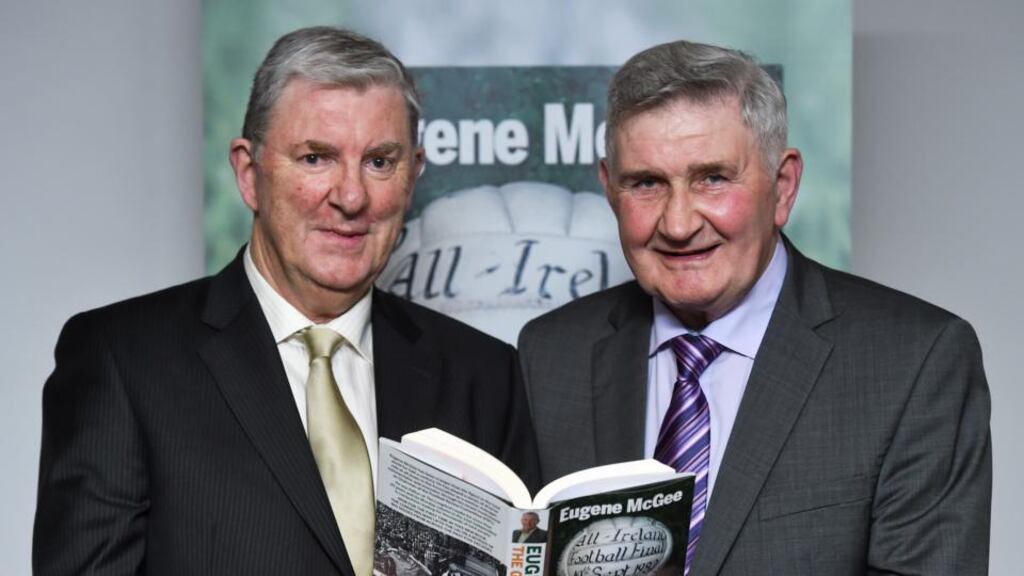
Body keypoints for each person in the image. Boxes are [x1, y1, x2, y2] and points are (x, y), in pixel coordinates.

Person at [33, 26, 537, 576]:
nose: (350, 197)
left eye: (379, 162)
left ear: (413, 176)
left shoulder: (484, 375)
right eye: (316, 158)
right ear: (249, 174)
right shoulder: (124, 360)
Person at [518, 39, 991, 575]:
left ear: (783, 187)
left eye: (713, 178)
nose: (678, 224)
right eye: (646, 183)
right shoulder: (552, 352)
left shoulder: (913, 362)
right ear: (609, 189)